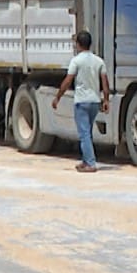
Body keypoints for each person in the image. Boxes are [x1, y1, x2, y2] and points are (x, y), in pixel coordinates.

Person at [52, 30, 111, 173]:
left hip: (82, 102)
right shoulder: (99, 61)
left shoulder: (76, 61)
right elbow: (105, 83)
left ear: (78, 44)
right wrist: (106, 100)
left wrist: (58, 97)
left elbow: (68, 81)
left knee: (84, 134)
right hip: (95, 102)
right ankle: (85, 161)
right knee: (87, 132)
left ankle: (90, 163)